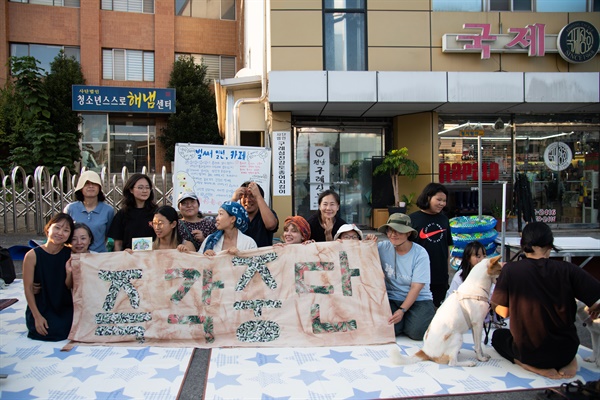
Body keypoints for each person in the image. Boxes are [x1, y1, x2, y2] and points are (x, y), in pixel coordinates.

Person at [491, 222, 600, 379]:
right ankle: (570, 362)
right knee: (563, 348)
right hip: (566, 350)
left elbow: (503, 312)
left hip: (530, 352)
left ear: (523, 245)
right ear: (550, 245)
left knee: (498, 337)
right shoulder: (568, 269)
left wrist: (495, 304)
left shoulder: (511, 270)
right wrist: (595, 308)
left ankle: (530, 366)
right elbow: (597, 301)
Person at [376, 213, 435, 340]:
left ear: (408, 233)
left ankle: (415, 318)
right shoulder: (381, 247)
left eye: (399, 231)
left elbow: (416, 287)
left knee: (417, 333)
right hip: (392, 298)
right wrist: (367, 241)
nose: (393, 234)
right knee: (385, 329)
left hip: (420, 300)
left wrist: (402, 310)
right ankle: (405, 322)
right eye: (390, 230)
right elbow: (360, 249)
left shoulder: (420, 253)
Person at [23, 213, 74, 341]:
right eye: (57, 228)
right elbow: (28, 288)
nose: (60, 233)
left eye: (66, 230)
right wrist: (37, 316)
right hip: (42, 305)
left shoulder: (70, 254)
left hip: (63, 305)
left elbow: (69, 285)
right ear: (48, 228)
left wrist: (69, 273)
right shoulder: (32, 255)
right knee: (46, 331)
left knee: (64, 330)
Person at [409, 183, 453, 308]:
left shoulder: (444, 220)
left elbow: (447, 247)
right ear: (428, 198)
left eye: (444, 201)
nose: (442, 203)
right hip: (418, 276)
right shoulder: (412, 219)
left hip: (440, 276)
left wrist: (447, 272)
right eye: (438, 199)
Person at [64, 170, 114, 253]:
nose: (91, 186)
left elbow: (107, 235)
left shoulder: (108, 210)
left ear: (99, 188)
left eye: (94, 184)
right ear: (80, 188)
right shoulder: (70, 208)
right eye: (87, 184)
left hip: (99, 256)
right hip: (76, 255)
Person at [108, 173, 157, 251]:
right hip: (128, 257)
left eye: (147, 188)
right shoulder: (122, 214)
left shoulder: (156, 212)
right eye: (140, 188)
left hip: (152, 257)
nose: (145, 191)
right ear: (131, 190)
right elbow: (118, 243)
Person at [231, 181, 279, 247]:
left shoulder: (267, 213)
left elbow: (271, 225)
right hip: (240, 255)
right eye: (244, 196)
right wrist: (234, 199)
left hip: (262, 255)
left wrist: (258, 195)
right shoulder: (235, 215)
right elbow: (222, 225)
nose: (248, 200)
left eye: (252, 196)